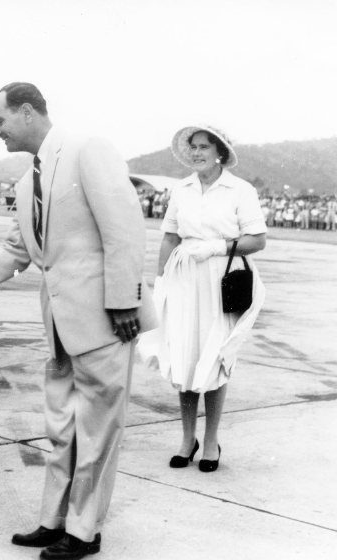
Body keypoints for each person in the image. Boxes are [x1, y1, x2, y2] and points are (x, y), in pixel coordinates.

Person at [0, 82, 150, 560]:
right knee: (62, 427)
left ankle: (84, 531)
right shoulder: (25, 182)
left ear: (29, 112)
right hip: (59, 323)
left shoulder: (86, 150)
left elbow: (124, 227)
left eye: (0, 120)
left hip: (104, 318)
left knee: (97, 428)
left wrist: (123, 301)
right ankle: (53, 520)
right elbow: (20, 249)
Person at [138, 125, 267, 474]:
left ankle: (210, 441)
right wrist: (160, 281)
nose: (197, 153)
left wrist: (218, 246)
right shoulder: (181, 189)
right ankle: (186, 438)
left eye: (204, 147)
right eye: (192, 147)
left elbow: (257, 240)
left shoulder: (240, 190)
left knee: (214, 358)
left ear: (219, 151)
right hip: (183, 278)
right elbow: (169, 236)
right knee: (184, 357)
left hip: (221, 278)